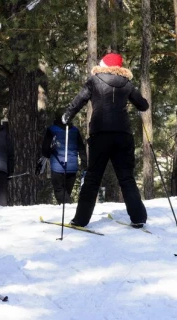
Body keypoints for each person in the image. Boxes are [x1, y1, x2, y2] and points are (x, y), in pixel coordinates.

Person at [62, 53, 149, 228]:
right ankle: (138, 217)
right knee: (126, 177)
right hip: (123, 135)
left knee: (93, 178)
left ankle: (80, 220)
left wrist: (67, 116)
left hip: (100, 134)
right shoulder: (127, 83)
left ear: (103, 65)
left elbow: (79, 100)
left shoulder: (94, 80)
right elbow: (143, 105)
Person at [37, 116, 87, 204]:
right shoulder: (75, 130)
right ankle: (68, 211)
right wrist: (84, 163)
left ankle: (70, 209)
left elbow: (45, 150)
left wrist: (49, 153)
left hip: (57, 167)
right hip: (72, 167)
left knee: (60, 191)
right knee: (66, 193)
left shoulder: (51, 130)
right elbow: (81, 148)